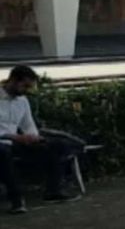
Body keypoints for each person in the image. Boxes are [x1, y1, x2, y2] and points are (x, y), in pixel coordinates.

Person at [0, 66, 79, 213]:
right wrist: (15, 136)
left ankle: (54, 190)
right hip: (2, 142)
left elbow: (28, 124)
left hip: (17, 142)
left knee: (56, 145)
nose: (27, 90)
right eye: (25, 86)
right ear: (13, 80)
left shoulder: (22, 101)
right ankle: (16, 200)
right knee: (3, 153)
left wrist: (34, 138)